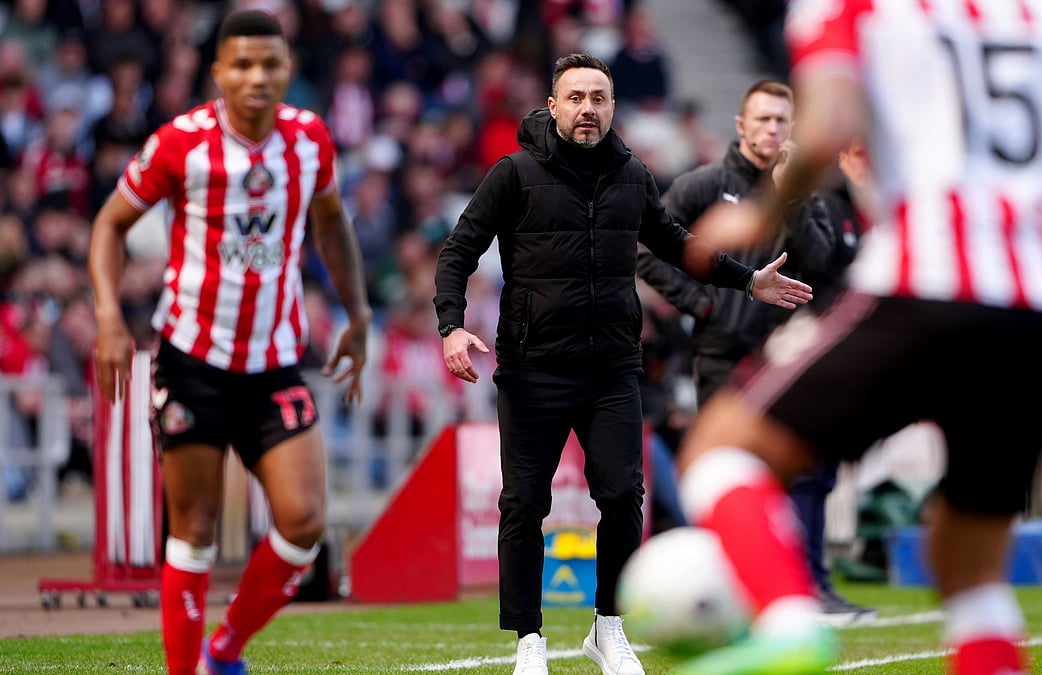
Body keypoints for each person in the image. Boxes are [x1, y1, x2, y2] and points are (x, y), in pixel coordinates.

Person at [672, 2, 1042, 674]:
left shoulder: (853, 7)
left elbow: (827, 123)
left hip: (924, 283)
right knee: (969, 563)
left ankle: (789, 619)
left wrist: (761, 213)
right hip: (1040, 309)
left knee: (721, 450)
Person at [433, 52, 812, 675]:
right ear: (553, 106)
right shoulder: (514, 174)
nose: (588, 109)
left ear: (612, 107)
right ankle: (528, 640)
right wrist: (451, 327)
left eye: (599, 98)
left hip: (612, 370)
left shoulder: (633, 175)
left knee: (623, 498)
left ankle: (607, 629)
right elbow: (457, 254)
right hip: (532, 370)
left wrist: (748, 282)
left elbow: (677, 245)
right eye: (576, 98)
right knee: (524, 505)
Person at [88, 10, 372, 675]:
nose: (256, 77)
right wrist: (106, 316)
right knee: (194, 530)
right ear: (218, 73)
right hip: (192, 361)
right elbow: (109, 224)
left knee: (303, 522)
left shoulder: (310, 140)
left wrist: (356, 312)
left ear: (288, 71)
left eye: (269, 64)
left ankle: (226, 648)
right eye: (241, 64)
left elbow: (331, 223)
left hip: (274, 363)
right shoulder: (179, 143)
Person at [636, 81, 872, 623]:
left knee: (802, 474)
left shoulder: (802, 190)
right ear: (741, 126)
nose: (772, 129)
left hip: (786, 356)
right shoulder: (703, 185)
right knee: (724, 473)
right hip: (723, 351)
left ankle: (801, 587)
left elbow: (821, 260)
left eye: (781, 122)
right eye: (762, 120)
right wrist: (700, 304)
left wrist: (789, 197)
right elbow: (647, 250)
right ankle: (725, 593)